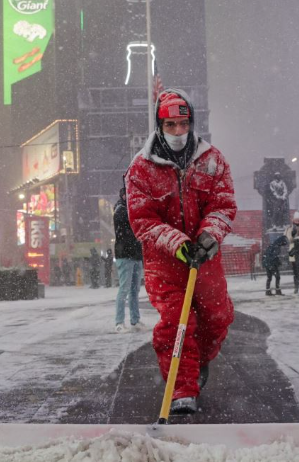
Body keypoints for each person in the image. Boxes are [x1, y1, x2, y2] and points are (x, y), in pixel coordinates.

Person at [125, 89, 237, 415]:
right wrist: (177, 244)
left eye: (183, 124)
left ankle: (198, 362)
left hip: (205, 257)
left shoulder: (213, 160)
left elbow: (223, 204)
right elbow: (142, 219)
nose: (177, 132)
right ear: (159, 125)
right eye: (170, 124)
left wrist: (208, 236)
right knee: (177, 322)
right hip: (165, 261)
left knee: (217, 318)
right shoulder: (141, 168)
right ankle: (182, 388)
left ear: (192, 123)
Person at [113, 187, 144, 333]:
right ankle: (119, 322)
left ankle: (135, 320)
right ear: (123, 196)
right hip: (125, 255)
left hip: (136, 254)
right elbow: (130, 226)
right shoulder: (120, 210)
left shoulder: (132, 210)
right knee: (124, 289)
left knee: (134, 290)